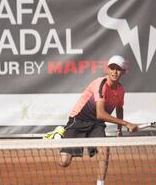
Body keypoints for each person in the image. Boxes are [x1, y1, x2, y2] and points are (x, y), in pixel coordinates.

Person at [44, 55, 138, 185]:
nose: (114, 72)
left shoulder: (120, 90)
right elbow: (100, 114)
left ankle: (100, 183)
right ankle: (59, 134)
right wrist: (126, 123)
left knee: (104, 150)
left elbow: (119, 108)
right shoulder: (101, 85)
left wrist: (119, 130)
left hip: (96, 125)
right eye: (112, 68)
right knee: (64, 162)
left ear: (123, 72)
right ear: (107, 70)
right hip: (79, 120)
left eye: (118, 69)